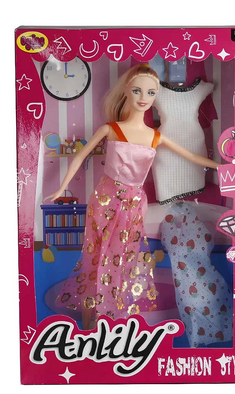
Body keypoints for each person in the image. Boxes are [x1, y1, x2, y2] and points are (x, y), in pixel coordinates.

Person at [44, 63, 220, 330]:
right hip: (105, 199)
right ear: (126, 90)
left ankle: (114, 314)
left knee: (125, 256)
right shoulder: (111, 129)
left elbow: (192, 157)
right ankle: (91, 316)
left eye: (151, 93)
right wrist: (61, 188)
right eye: (137, 90)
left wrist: (224, 167)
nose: (143, 98)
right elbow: (79, 157)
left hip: (134, 202)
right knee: (97, 254)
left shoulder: (155, 136)